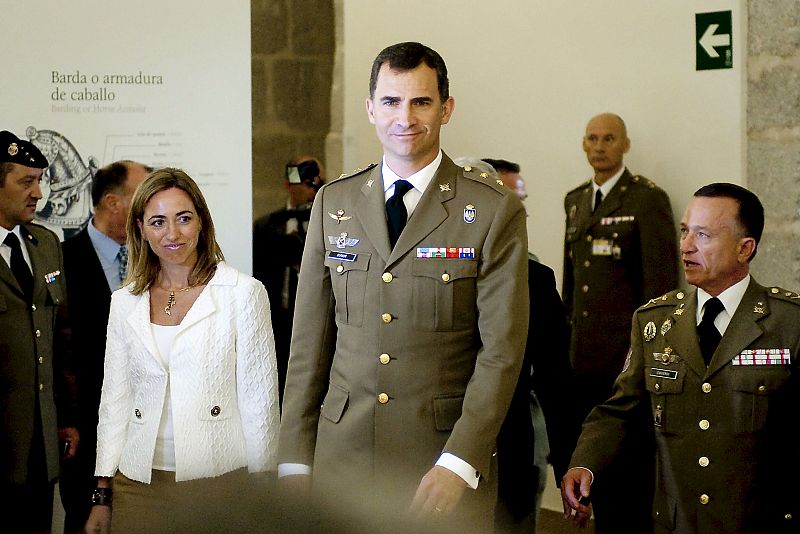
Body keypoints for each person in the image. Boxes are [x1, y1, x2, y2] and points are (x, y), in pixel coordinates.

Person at [277, 42, 528, 532]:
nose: (404, 117)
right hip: (341, 457)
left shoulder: (493, 212)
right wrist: (293, 458)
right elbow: (308, 343)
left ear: (446, 108)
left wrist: (460, 459)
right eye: (390, 101)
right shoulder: (334, 201)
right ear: (370, 109)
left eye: (421, 101)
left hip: (436, 462)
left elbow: (502, 352)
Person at [561, 182, 800, 533]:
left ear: (744, 248)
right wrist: (585, 463)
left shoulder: (788, 322)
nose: (686, 246)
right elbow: (619, 410)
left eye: (703, 235)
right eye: (685, 231)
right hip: (677, 522)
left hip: (758, 520)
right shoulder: (655, 321)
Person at [84, 168, 280, 533]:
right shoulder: (125, 301)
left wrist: (264, 486)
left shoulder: (242, 293)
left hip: (219, 480)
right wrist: (102, 491)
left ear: (202, 222)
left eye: (183, 219)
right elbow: (115, 400)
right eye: (158, 221)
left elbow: (260, 401)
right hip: (138, 483)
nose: (172, 234)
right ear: (140, 228)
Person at [561, 112, 679, 532]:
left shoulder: (646, 199)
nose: (599, 146)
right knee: (591, 465)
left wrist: (646, 356)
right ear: (583, 145)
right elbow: (572, 287)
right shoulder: (575, 200)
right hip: (585, 361)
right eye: (592, 138)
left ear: (625, 144)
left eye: (609, 138)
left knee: (630, 474)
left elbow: (661, 290)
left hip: (626, 363)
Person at [469, 157, 573, 533]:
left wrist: (567, 463)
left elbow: (555, 380)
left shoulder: (534, 279)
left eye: (521, 202)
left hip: (509, 451)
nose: (520, 213)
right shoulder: (425, 274)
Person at [58, 160, 150, 533]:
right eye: (142, 196)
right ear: (113, 202)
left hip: (145, 428)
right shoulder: (62, 261)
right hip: (88, 429)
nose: (151, 205)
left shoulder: (156, 258)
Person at [0, 129, 79, 532]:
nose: (38, 193)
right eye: (26, 182)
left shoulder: (45, 244)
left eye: (41, 181)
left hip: (40, 444)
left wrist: (66, 418)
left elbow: (60, 340)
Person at [252, 155, 324, 405]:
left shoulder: (330, 224)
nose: (310, 188)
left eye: (315, 181)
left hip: (316, 322)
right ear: (288, 183)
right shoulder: (265, 227)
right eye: (304, 181)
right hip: (276, 322)